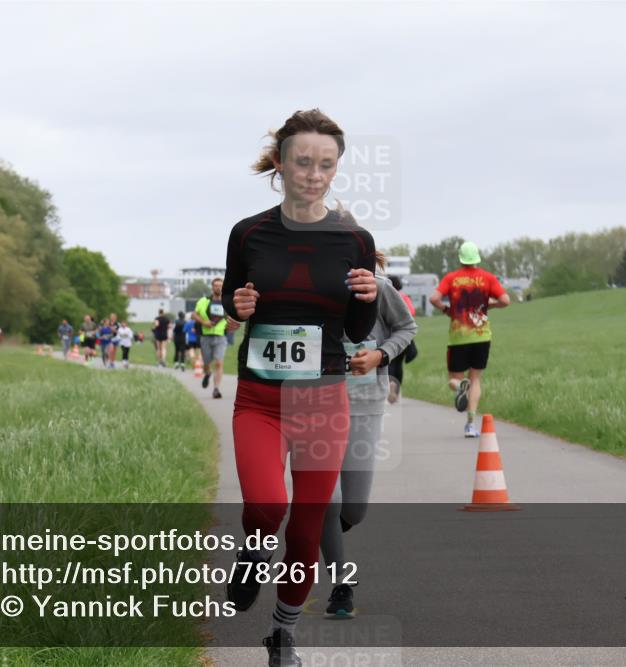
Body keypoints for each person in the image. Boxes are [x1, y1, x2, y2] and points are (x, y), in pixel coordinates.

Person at [222, 108, 378, 667]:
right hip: (260, 399)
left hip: (323, 397)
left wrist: (366, 298)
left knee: (309, 526)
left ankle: (283, 632)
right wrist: (236, 306)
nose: (313, 173)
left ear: (336, 170)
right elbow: (232, 301)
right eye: (303, 161)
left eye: (326, 164)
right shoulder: (249, 232)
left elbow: (355, 331)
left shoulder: (354, 240)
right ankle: (252, 552)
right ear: (282, 164)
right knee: (267, 505)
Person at [320, 255, 416, 618]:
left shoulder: (379, 286)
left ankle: (319, 529)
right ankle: (340, 584)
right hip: (314, 401)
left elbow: (406, 329)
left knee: (353, 509)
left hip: (363, 402)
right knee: (327, 501)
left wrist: (380, 354)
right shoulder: (307, 286)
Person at [429, 241, 510, 438]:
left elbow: (433, 298)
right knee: (475, 380)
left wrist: (447, 310)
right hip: (482, 335)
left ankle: (459, 387)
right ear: (477, 258)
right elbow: (505, 300)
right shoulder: (488, 278)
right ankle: (471, 425)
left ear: (460, 258)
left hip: (458, 336)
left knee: (453, 380)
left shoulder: (451, 278)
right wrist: (487, 306)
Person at [193, 278, 230, 399]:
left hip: (220, 336)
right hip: (206, 336)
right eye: (216, 286)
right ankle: (207, 373)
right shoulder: (204, 301)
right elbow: (194, 314)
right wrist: (204, 322)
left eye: (220, 286)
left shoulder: (227, 302)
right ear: (212, 287)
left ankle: (216, 389)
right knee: (207, 363)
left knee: (219, 363)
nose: (218, 288)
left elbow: (233, 316)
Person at [386, 275, 417, 403]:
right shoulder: (403, 297)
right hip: (403, 336)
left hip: (388, 334)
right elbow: (412, 312)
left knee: (389, 362)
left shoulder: (385, 295)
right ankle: (397, 391)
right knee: (399, 364)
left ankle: (390, 384)